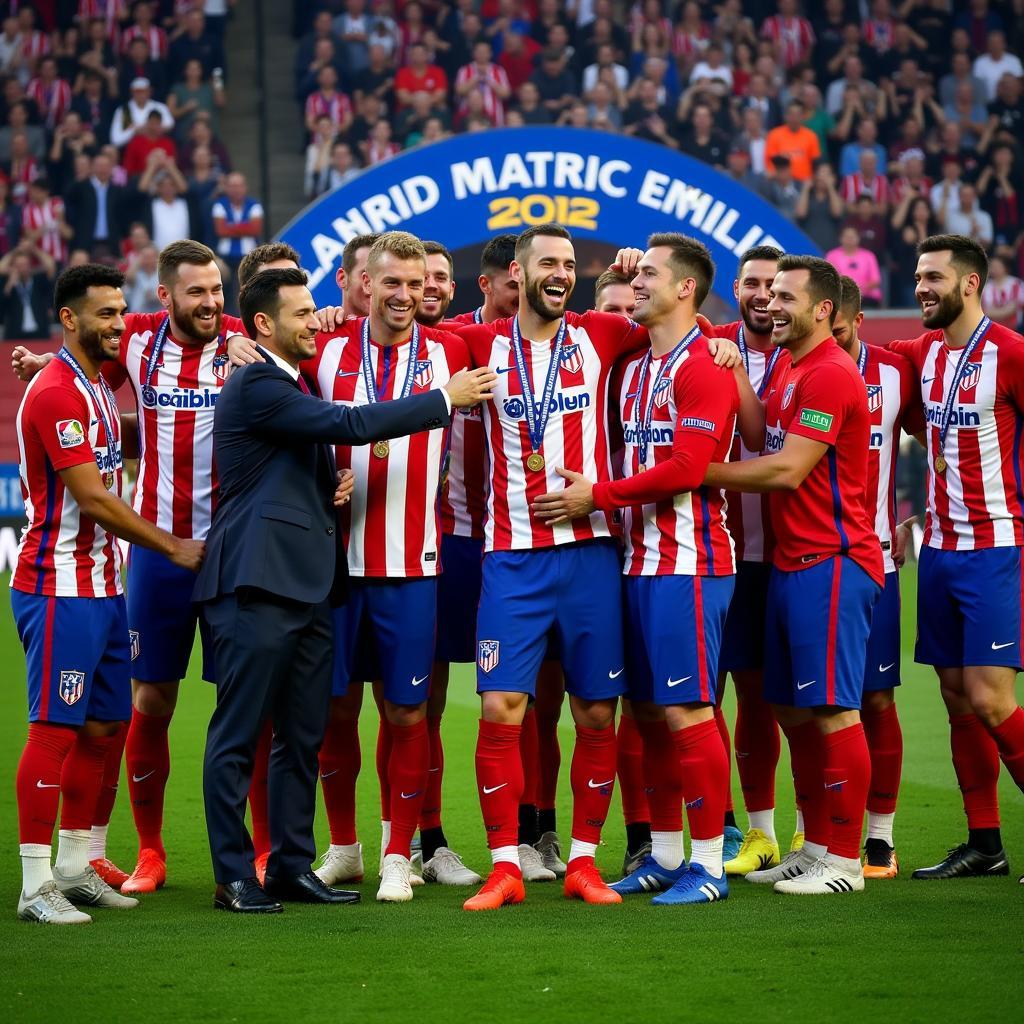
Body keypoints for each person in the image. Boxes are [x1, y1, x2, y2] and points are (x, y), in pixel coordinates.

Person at [452, 224, 739, 910]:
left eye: (570, 264)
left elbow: (678, 324)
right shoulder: (476, 343)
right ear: (516, 275)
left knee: (601, 714)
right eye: (547, 262)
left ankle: (584, 860)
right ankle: (505, 865)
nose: (561, 272)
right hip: (513, 558)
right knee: (501, 705)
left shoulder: (605, 337)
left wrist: (713, 331)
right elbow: (392, 332)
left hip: (594, 557)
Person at [193, 267, 494, 913]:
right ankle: (234, 875)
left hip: (308, 588)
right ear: (265, 325)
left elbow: (288, 464)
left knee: (302, 735)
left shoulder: (286, 381)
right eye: (302, 313)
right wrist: (443, 398)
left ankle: (292, 867)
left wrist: (324, 489)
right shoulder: (258, 383)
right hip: (254, 582)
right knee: (239, 735)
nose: (316, 319)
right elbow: (350, 423)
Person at [10, 240, 250, 894]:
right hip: (151, 557)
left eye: (217, 290)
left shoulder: (242, 341)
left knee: (245, 704)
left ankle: (254, 851)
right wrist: (46, 365)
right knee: (149, 702)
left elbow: (307, 341)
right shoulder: (136, 342)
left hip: (232, 552)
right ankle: (147, 851)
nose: (210, 303)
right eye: (195, 291)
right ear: (165, 296)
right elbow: (85, 354)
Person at [533, 234, 742, 905]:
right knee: (648, 715)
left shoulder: (704, 368)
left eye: (650, 274)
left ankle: (709, 864)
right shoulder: (636, 365)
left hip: (690, 563)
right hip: (636, 562)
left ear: (686, 289)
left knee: (686, 711)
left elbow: (685, 469)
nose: (636, 282)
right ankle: (667, 853)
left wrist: (596, 495)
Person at [303, 234, 486, 901]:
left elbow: (544, 325)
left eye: (418, 284)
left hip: (414, 564)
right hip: (335, 568)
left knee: (408, 714)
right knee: (334, 712)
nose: (408, 295)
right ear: (365, 284)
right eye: (393, 283)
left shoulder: (456, 350)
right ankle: (345, 848)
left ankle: (397, 854)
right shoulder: (321, 349)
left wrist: (713, 334)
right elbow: (279, 410)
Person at [704, 254, 884, 896]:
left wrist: (694, 472)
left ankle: (843, 862)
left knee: (834, 712)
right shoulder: (789, 367)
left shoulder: (832, 375)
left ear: (823, 310)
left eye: (786, 297)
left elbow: (785, 469)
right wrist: (735, 375)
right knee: (792, 708)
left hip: (832, 561)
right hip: (792, 564)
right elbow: (758, 435)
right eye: (769, 294)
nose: (771, 305)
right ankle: (816, 846)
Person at [885, 235, 1024, 883]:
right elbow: (848, 345)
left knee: (992, 699)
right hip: (938, 551)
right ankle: (985, 844)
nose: (921, 288)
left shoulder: (1013, 354)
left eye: (934, 277)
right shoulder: (922, 353)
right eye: (918, 276)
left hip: (996, 550)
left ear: (970, 284)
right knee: (954, 697)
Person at [438, 236, 570, 884]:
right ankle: (424, 842)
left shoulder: (565, 346)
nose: (526, 299)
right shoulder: (460, 344)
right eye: (513, 287)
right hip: (454, 538)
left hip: (530, 538)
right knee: (431, 697)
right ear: (491, 285)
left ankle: (538, 830)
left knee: (549, 698)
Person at [700, 246, 788, 876]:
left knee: (766, 702)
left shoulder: (806, 354)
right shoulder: (710, 341)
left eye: (774, 286)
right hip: (719, 553)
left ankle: (768, 831)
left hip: (786, 558)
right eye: (753, 284)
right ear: (734, 289)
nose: (763, 296)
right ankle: (725, 829)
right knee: (705, 697)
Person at [831, 276, 923, 878]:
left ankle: (880, 840)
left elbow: (945, 431)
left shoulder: (895, 373)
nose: (827, 342)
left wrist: (926, 512)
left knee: (875, 698)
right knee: (812, 707)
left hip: (878, 562)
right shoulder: (792, 369)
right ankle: (817, 838)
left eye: (838, 331)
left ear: (858, 321)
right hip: (807, 562)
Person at [212, 173, 264, 315]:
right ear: (227, 188)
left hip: (248, 257)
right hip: (225, 257)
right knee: (224, 288)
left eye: (239, 186)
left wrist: (231, 227)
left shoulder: (254, 205)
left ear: (245, 188)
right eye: (233, 186)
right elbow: (221, 230)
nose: (236, 190)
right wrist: (245, 227)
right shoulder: (219, 204)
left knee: (246, 288)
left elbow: (256, 229)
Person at [0, 243, 55, 339]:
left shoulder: (38, 279)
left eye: (25, 265)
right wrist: (15, 251)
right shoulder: (7, 282)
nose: (22, 268)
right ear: (13, 267)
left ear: (30, 266)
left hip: (40, 334)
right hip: (14, 335)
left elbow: (50, 265)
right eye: (19, 265)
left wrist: (33, 248)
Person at [827, 226, 883, 307]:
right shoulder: (832, 255)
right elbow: (829, 279)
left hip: (866, 297)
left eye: (852, 237)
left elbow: (876, 281)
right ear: (840, 238)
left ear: (858, 238)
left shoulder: (868, 255)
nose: (849, 239)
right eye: (846, 236)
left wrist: (859, 290)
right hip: (842, 297)